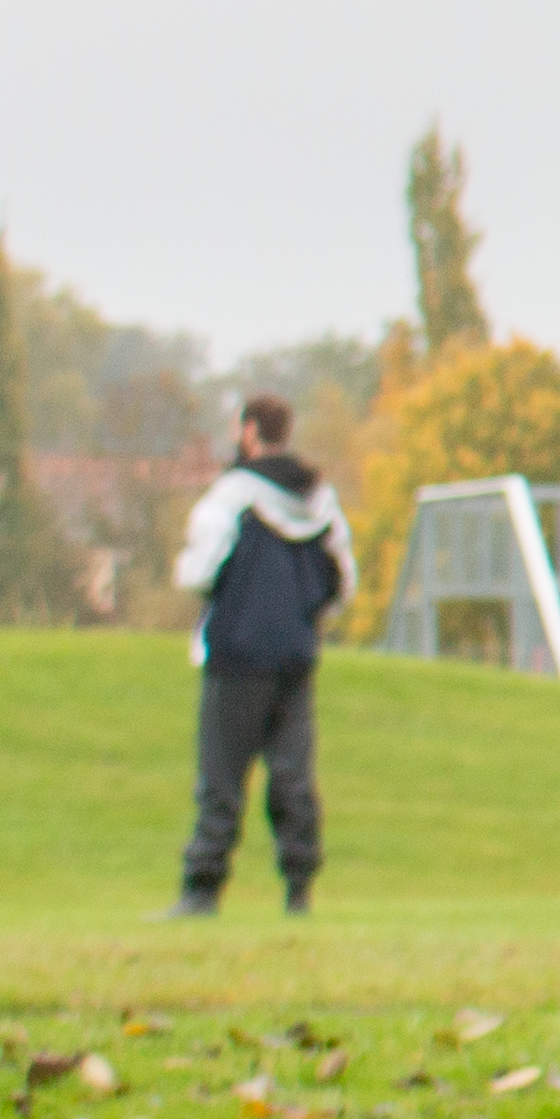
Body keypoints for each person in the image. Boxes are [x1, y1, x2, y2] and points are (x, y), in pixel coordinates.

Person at [172, 392, 351, 917]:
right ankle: (299, 890)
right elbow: (343, 581)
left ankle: (201, 892)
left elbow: (198, 571)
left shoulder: (231, 497)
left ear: (249, 431)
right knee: (292, 775)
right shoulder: (319, 498)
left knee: (221, 780)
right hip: (296, 654)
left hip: (235, 653)